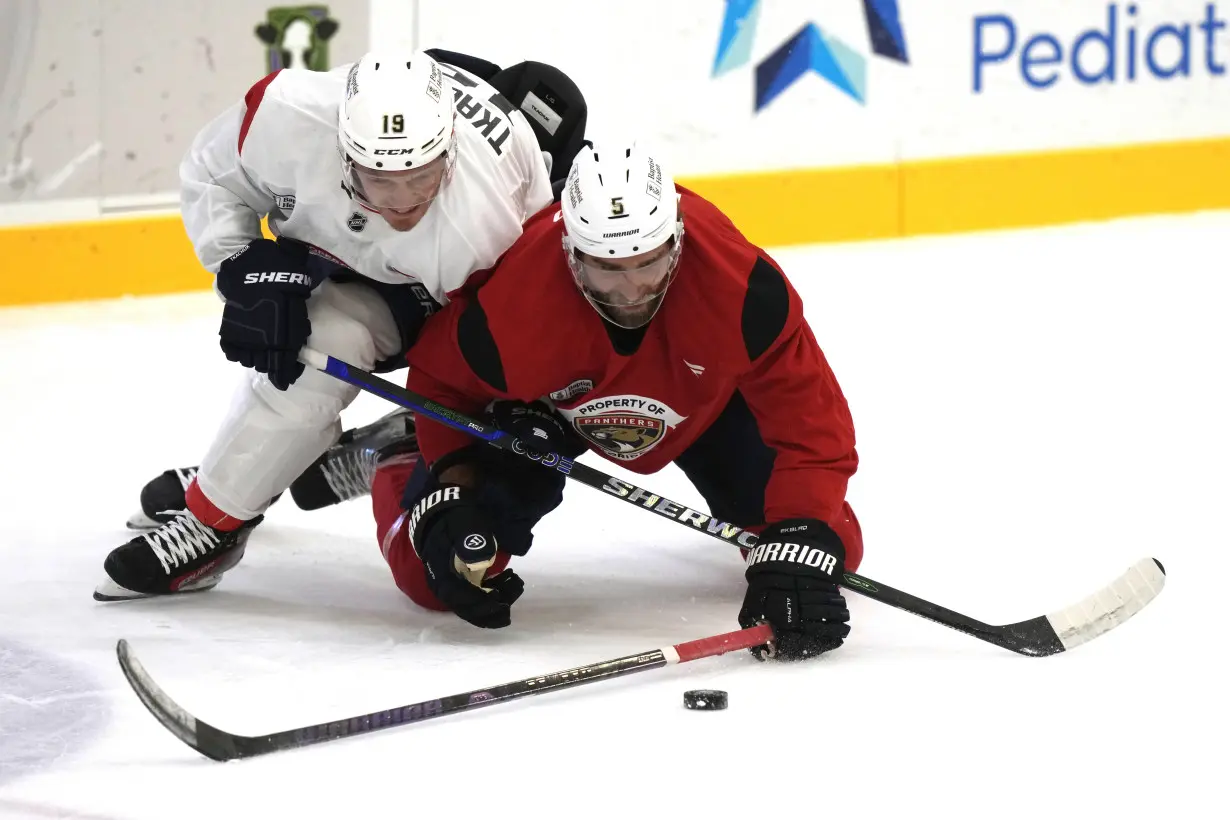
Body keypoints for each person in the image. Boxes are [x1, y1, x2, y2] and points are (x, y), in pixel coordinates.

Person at [94, 48, 587, 601]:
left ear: (450, 153)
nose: (403, 203)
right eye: (379, 178)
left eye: (420, 177)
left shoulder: (483, 219)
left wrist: (487, 428)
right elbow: (212, 173)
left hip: (445, 288)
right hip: (334, 249)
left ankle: (390, 446)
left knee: (330, 348)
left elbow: (502, 348)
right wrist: (241, 264)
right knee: (308, 359)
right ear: (342, 146)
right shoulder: (287, 114)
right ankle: (218, 518)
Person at [368, 141, 863, 660]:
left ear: (677, 239)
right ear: (570, 251)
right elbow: (438, 376)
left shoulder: (744, 289)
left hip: (705, 409)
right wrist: (453, 475)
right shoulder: (518, 300)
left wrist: (799, 531)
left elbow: (812, 428)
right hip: (549, 415)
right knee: (438, 573)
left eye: (649, 263)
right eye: (607, 268)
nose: (631, 290)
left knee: (831, 549)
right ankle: (404, 458)